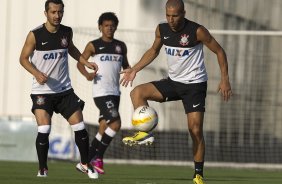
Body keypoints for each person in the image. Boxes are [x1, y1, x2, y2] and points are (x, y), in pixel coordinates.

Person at [120, 0, 232, 183]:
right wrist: (135, 69)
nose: (171, 19)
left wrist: (225, 78)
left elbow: (219, 51)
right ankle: (145, 133)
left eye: (175, 15)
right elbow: (153, 51)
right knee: (137, 93)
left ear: (184, 13)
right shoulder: (161, 30)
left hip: (195, 86)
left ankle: (198, 175)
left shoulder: (197, 31)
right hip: (173, 82)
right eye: (168, 15)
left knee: (195, 130)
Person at [19, 0, 98, 179]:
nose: (57, 16)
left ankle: (85, 164)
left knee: (79, 125)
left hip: (64, 90)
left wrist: (86, 62)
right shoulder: (35, 35)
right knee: (44, 129)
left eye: (60, 12)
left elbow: (71, 49)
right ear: (45, 13)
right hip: (42, 91)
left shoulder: (66, 31)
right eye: (53, 12)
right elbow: (23, 58)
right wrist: (37, 73)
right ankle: (43, 169)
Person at [77, 12, 130, 174]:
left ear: (116, 27)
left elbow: (126, 66)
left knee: (103, 127)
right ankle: (98, 156)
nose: (109, 28)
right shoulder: (93, 45)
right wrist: (87, 74)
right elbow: (80, 62)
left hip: (115, 93)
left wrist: (129, 72)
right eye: (106, 25)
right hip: (101, 92)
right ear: (100, 27)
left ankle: (84, 162)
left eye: (112, 25)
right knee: (115, 123)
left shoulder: (121, 46)